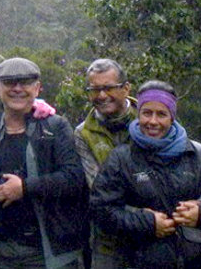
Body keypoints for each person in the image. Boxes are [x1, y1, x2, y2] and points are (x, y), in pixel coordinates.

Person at [89, 81, 201, 269]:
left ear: (172, 117)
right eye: (147, 113)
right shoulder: (121, 159)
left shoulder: (199, 155)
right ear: (139, 115)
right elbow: (101, 211)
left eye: (161, 114)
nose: (153, 122)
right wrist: (146, 223)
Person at [0, 58, 87, 269]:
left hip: (51, 253)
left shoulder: (55, 127)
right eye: (10, 82)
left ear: (37, 88)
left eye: (26, 82)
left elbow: (75, 178)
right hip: (4, 253)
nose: (18, 88)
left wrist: (25, 187)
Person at [74, 59, 136, 269]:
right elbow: (98, 188)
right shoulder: (83, 133)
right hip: (106, 238)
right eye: (95, 89)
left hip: (154, 231)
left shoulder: (150, 119)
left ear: (126, 88)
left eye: (109, 88)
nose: (102, 96)